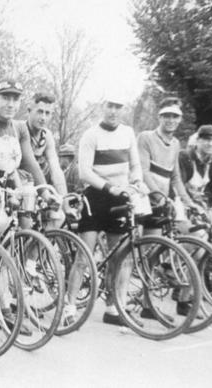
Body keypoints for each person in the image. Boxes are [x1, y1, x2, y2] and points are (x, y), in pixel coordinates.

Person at [0, 78, 56, 334]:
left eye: (15, 98)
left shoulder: (19, 129)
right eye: (5, 97)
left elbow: (29, 163)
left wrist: (47, 191)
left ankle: (10, 299)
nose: (10, 103)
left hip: (10, 191)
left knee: (17, 238)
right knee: (0, 222)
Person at [75, 94, 147, 326]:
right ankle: (68, 306)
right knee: (84, 256)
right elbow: (84, 172)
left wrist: (136, 180)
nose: (113, 111)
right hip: (96, 197)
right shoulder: (91, 135)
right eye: (110, 106)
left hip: (121, 196)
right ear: (101, 106)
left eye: (118, 106)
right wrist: (109, 188)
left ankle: (116, 309)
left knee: (122, 257)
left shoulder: (127, 133)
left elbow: (135, 164)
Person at [136, 97, 198, 317]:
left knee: (189, 237)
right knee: (143, 252)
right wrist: (160, 197)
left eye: (175, 116)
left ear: (180, 119)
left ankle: (151, 297)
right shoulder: (146, 137)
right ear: (159, 117)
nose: (171, 120)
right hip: (145, 199)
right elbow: (143, 172)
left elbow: (176, 178)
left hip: (162, 201)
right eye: (167, 115)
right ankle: (135, 302)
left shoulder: (176, 144)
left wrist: (189, 201)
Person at [26, 91, 67, 195]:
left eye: (47, 113)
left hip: (40, 187)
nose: (43, 118)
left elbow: (56, 169)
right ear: (29, 111)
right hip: (17, 187)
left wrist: (64, 197)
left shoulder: (47, 135)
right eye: (40, 111)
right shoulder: (19, 130)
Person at [178, 125, 212, 204]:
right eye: (206, 139)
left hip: (200, 204)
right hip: (182, 202)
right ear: (197, 140)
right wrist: (191, 204)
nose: (210, 143)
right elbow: (178, 184)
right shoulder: (185, 156)